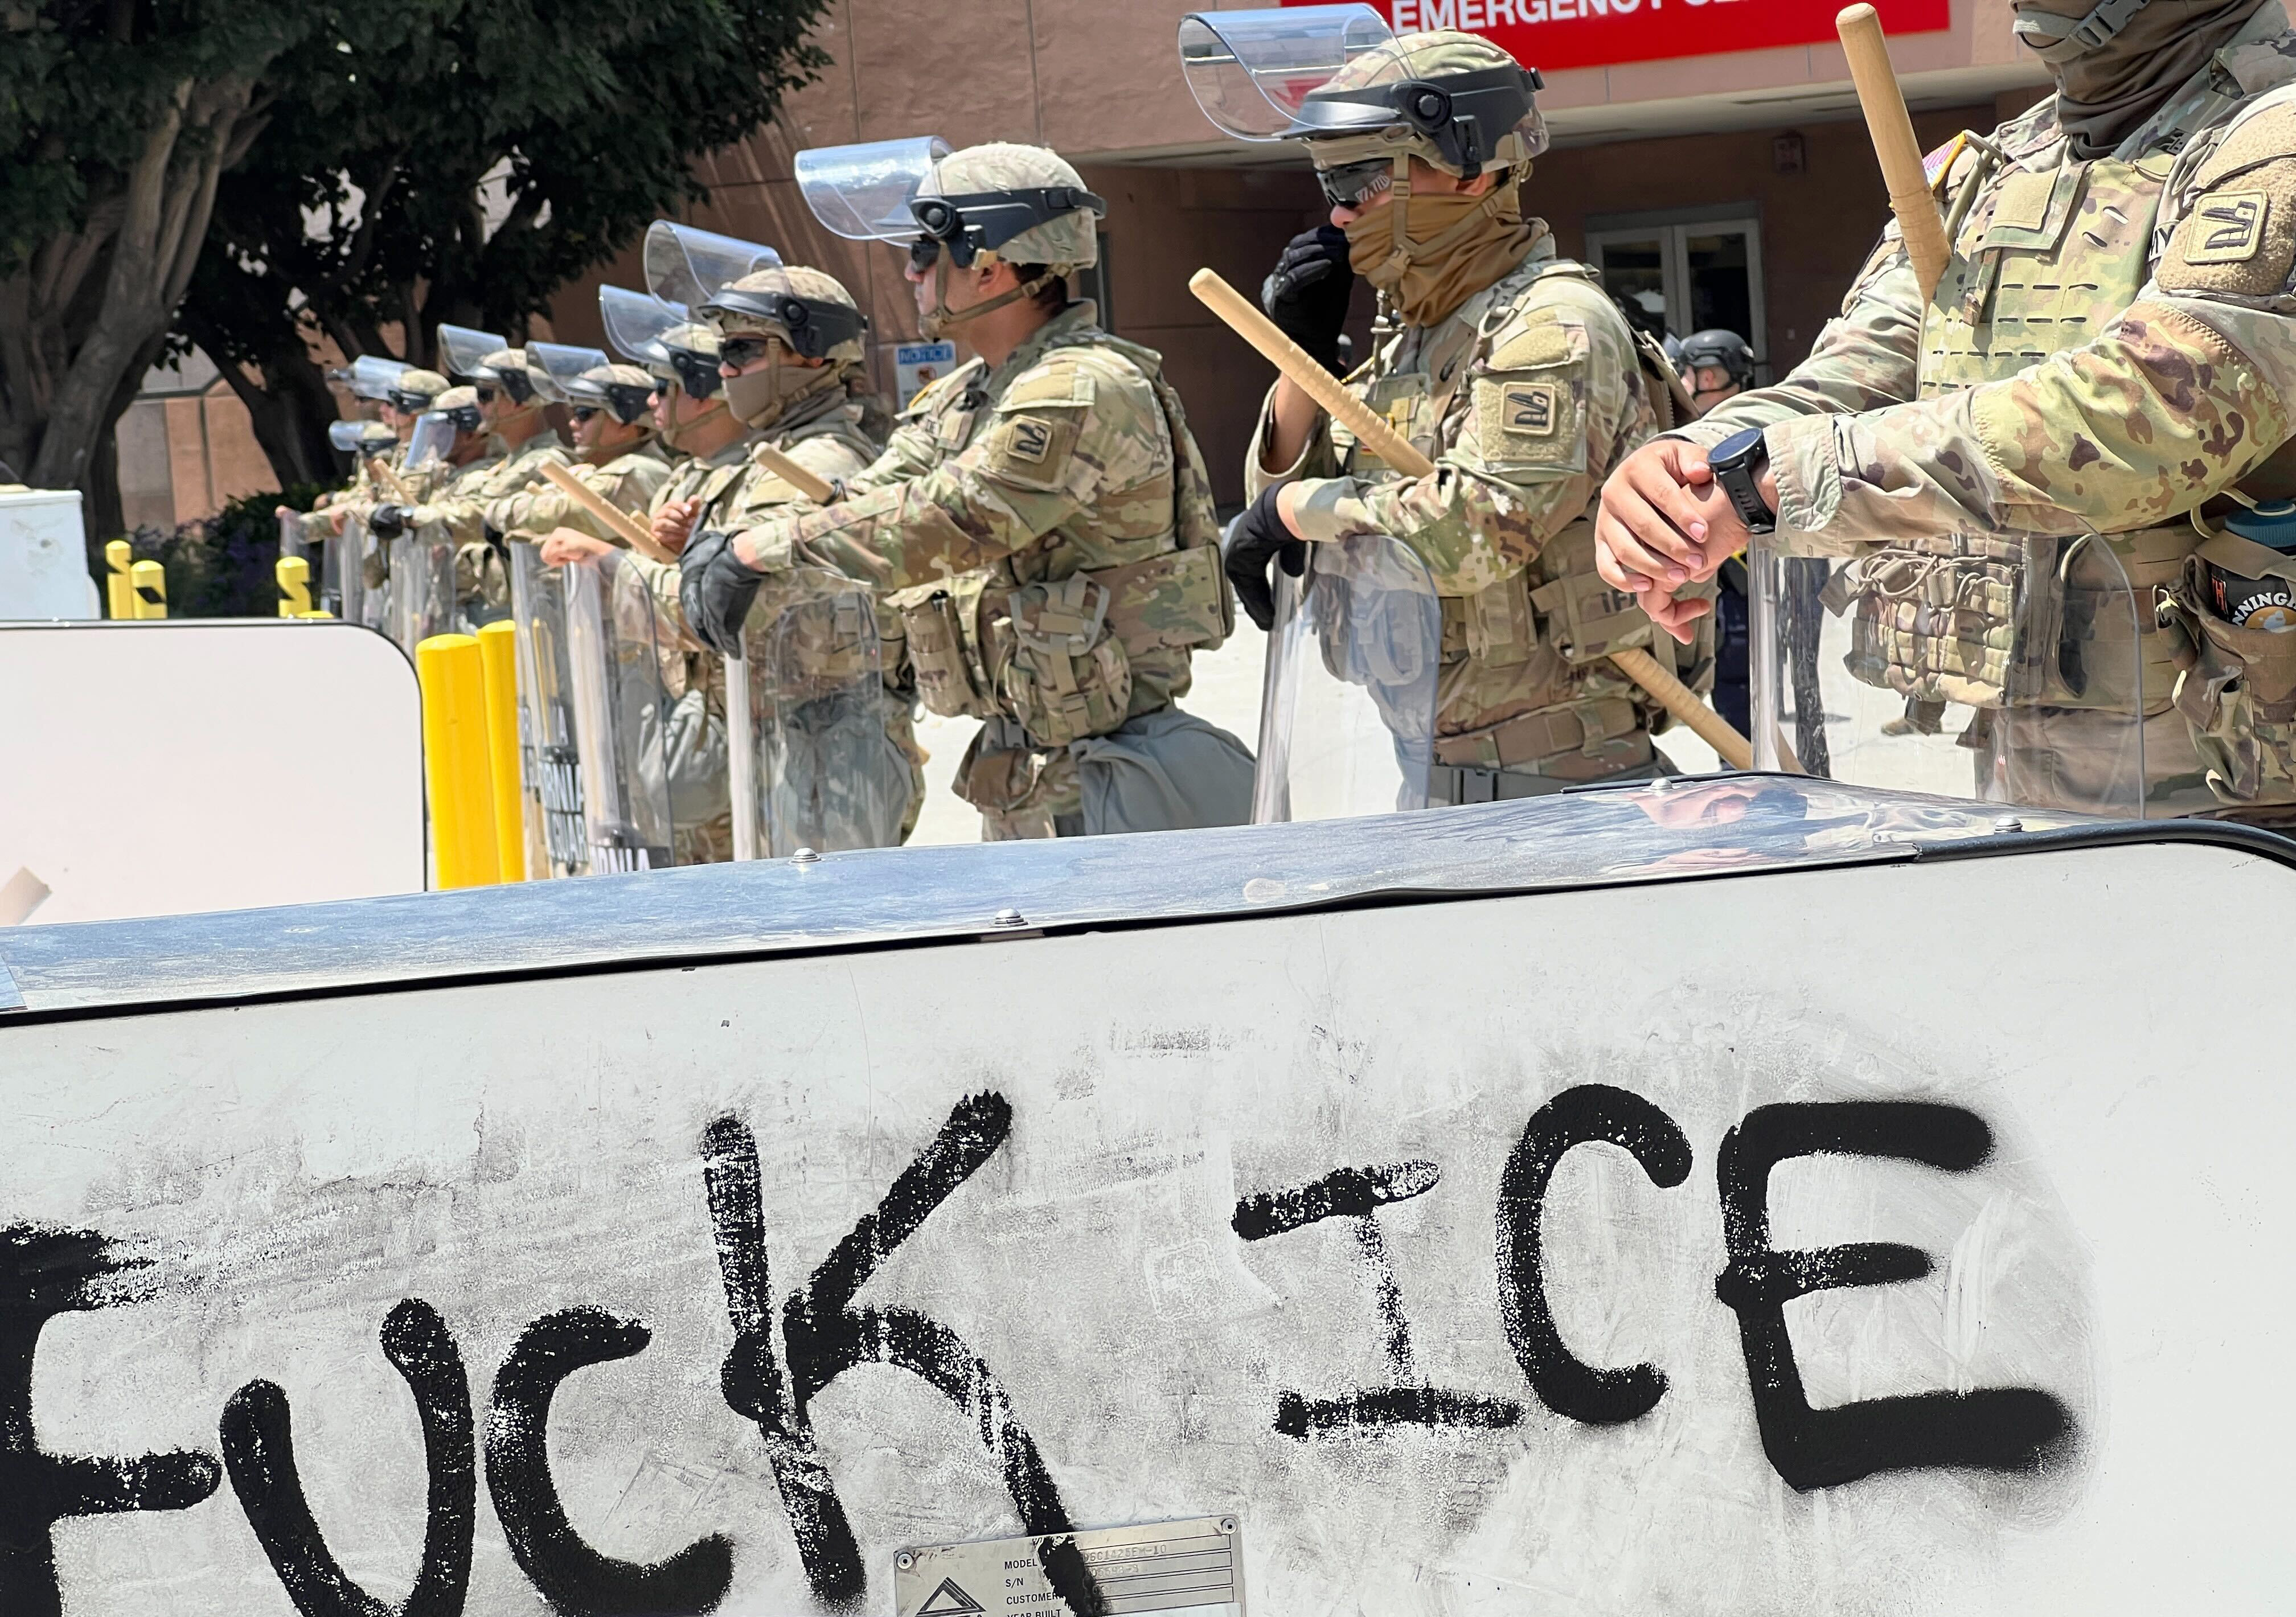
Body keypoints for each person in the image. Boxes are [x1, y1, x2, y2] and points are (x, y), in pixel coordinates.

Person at [1595, 0, 2296, 821]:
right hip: (2002, 765)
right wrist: (1693, 465)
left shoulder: (2271, 137)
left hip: (2238, 792)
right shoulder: (1997, 167)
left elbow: (2148, 414)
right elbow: (1857, 373)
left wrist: (1784, 478)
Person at [682, 142, 1252, 840]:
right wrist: (737, 543)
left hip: (1115, 773)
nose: (909, 272)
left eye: (925, 250)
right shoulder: (963, 395)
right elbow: (869, 498)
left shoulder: (1081, 388)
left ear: (989, 265)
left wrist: (759, 551)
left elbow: (949, 519)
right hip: (1023, 768)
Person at [1212, 24, 1708, 804]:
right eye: (1331, 189)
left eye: (1363, 182)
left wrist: (1295, 509)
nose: (1340, 217)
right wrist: (1297, 358)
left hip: (1558, 787)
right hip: (1437, 772)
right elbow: (1291, 504)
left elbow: (1477, 530)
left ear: (1473, 173)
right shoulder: (1419, 335)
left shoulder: (1549, 325)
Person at [552, 266, 925, 858]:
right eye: (724, 354)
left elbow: (737, 611)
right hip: (789, 740)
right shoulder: (771, 459)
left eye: (742, 350)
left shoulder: (818, 460)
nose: (725, 370)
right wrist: (685, 549)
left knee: (822, 939)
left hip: (827, 753)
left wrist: (613, 567)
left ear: (810, 353)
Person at [489, 359, 671, 544]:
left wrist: (501, 512)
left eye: (584, 414)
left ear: (625, 421)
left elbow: (572, 513)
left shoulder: (638, 470)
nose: (573, 424)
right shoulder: (602, 469)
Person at [1678, 329, 1754, 417]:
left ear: (1707, 378)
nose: (1682, 382)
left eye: (1686, 373)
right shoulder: (1755, 417)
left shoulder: (1698, 429)